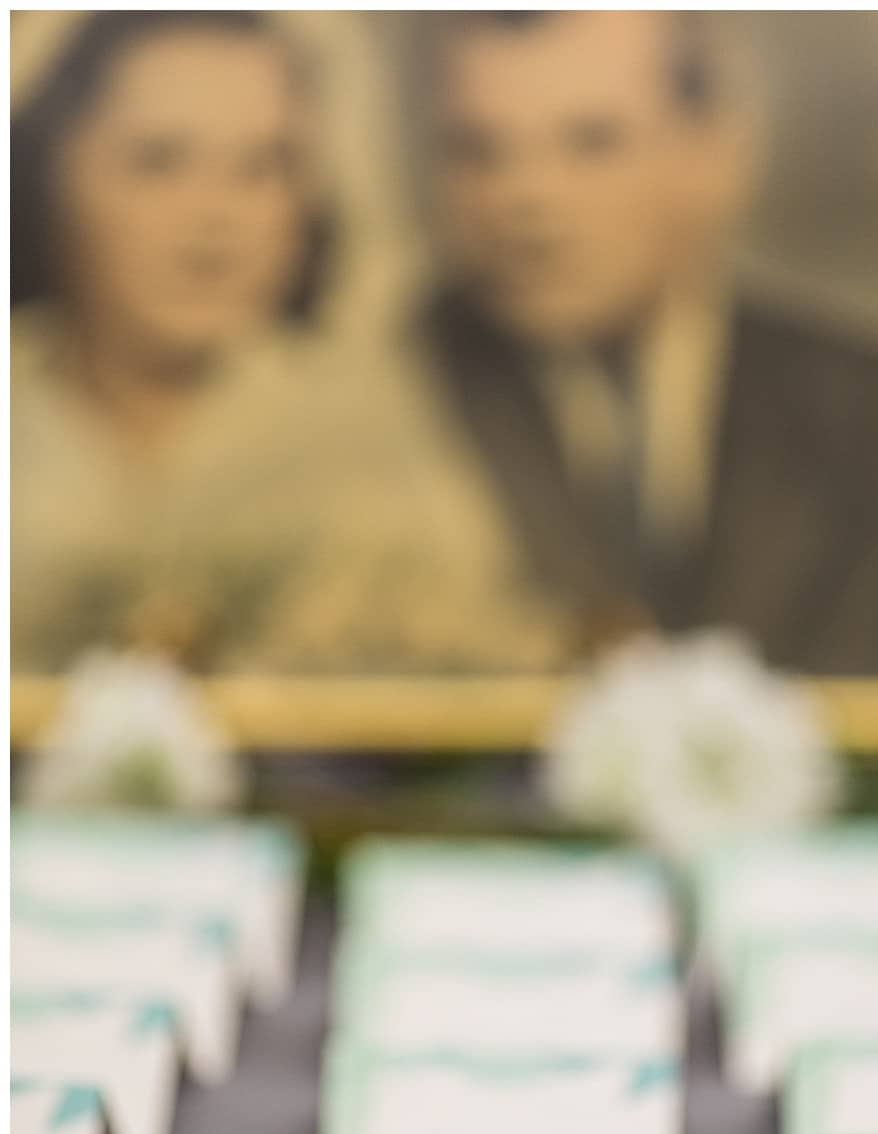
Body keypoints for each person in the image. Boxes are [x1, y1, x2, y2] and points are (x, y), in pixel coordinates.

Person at [410, 10, 878, 675]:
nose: (526, 197)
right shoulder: (397, 396)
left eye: (591, 142)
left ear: (714, 151)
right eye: (477, 150)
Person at [10, 10, 571, 674]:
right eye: (159, 161)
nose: (214, 217)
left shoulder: (378, 433)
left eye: (262, 167)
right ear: (53, 173)